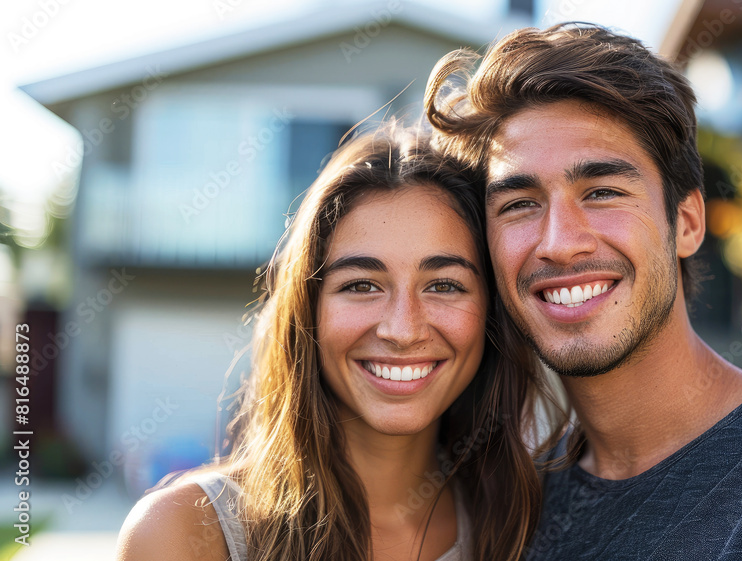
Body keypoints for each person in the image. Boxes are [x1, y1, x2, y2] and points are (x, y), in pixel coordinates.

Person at [424, 23, 742, 560]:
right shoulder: (517, 514)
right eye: (518, 203)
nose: (559, 244)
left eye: (603, 192)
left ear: (688, 222)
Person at [115, 125, 553, 561]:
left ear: (491, 314)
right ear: (308, 311)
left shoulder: (527, 525)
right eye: (362, 285)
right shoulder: (183, 535)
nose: (402, 330)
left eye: (443, 285)